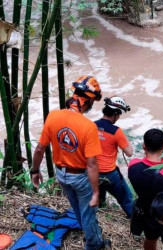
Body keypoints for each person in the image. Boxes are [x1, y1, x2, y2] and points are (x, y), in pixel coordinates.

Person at [31, 76, 110, 249]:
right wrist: (96, 192)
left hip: (62, 175)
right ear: (88, 101)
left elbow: (39, 149)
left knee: (78, 209)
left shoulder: (53, 116)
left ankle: (88, 230)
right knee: (88, 213)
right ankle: (94, 244)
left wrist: (34, 171)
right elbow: (92, 164)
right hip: (80, 177)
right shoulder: (88, 127)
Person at [95, 96, 134, 218]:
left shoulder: (92, 125)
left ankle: (100, 213)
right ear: (115, 114)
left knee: (99, 195)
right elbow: (129, 152)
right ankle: (136, 225)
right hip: (109, 173)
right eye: (119, 115)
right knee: (127, 199)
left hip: (92, 171)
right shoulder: (116, 131)